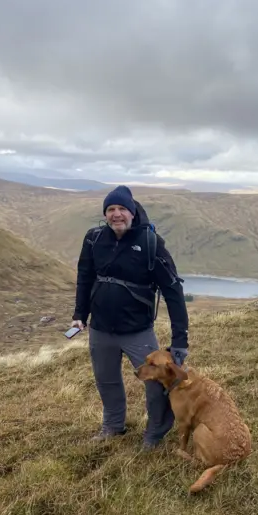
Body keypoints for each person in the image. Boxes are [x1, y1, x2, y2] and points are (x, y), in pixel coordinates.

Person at [71, 184, 189, 450]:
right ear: (105, 214)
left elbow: (173, 291)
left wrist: (180, 339)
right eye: (111, 209)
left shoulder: (149, 243)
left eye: (122, 209)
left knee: (157, 383)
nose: (116, 214)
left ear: (133, 212)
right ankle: (113, 426)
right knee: (106, 379)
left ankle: (155, 433)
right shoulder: (94, 239)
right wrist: (80, 313)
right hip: (101, 329)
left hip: (137, 330)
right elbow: (85, 277)